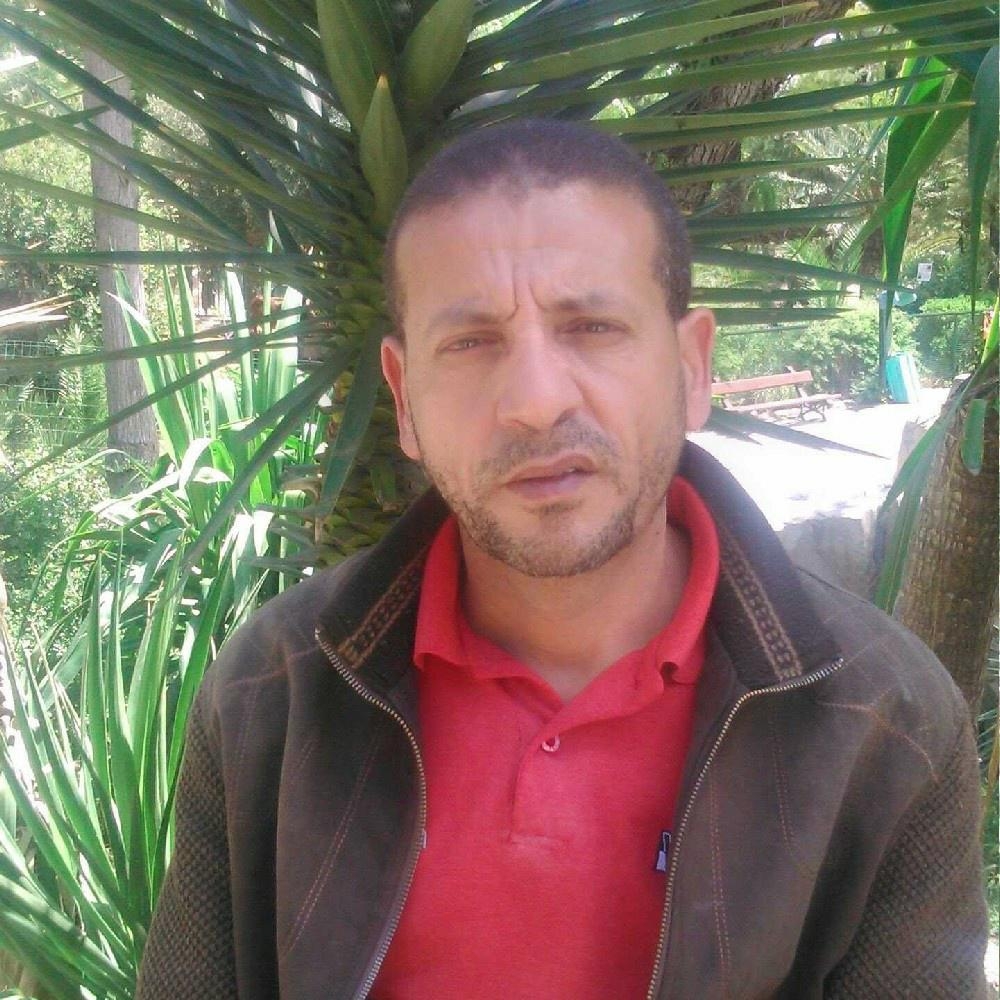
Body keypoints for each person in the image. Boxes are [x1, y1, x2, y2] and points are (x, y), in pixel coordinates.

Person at [136, 120, 989, 999]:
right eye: (471, 343)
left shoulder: (882, 724)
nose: (537, 402)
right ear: (404, 398)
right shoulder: (274, 692)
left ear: (692, 368)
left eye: (592, 326)